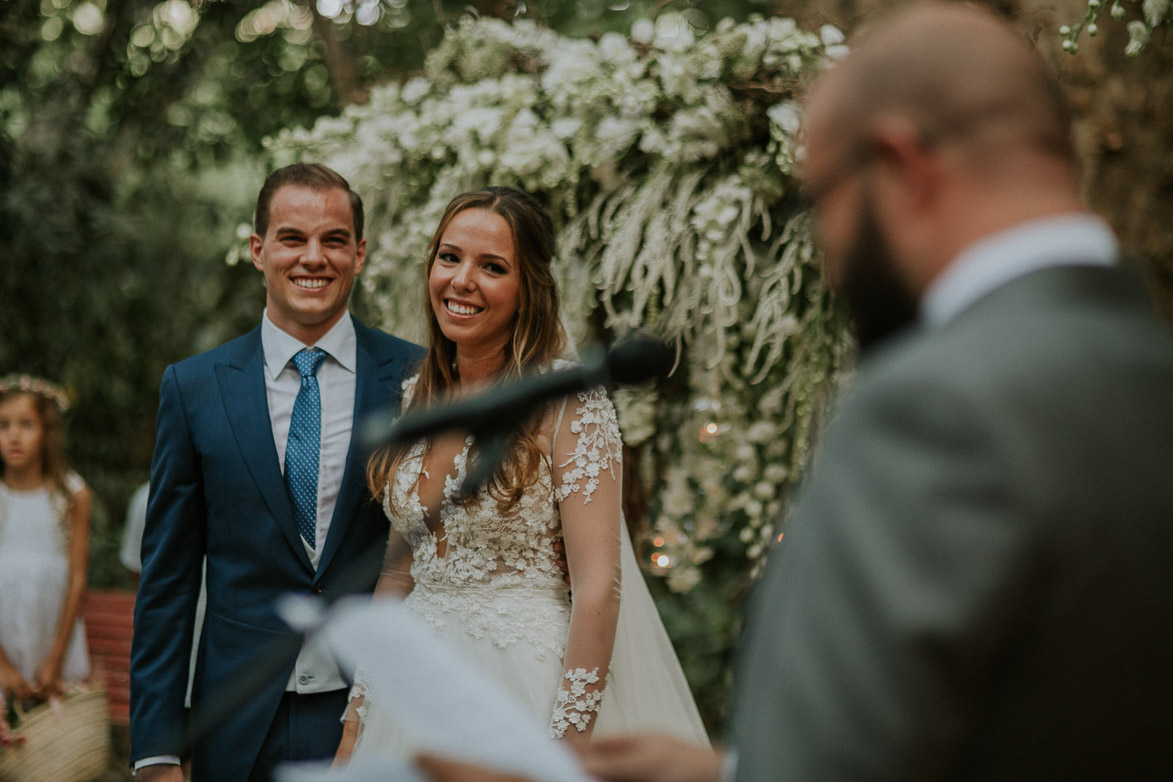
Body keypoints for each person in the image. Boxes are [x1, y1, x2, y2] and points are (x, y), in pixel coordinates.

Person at [582, 3, 1173, 780]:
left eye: (820, 198)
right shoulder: (1145, 371)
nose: (827, 262)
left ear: (899, 166)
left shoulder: (934, 408)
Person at [333, 187, 708, 765]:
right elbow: (397, 573)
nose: (461, 281)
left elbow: (598, 589)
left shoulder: (570, 404)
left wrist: (565, 752)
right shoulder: (419, 398)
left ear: (528, 288)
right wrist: (357, 720)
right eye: (449, 257)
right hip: (407, 699)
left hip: (521, 691)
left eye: (493, 267)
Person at [129, 163, 425, 782]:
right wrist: (157, 750)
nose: (313, 258)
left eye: (334, 240)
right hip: (237, 722)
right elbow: (168, 583)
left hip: (375, 717)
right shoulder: (193, 387)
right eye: (292, 238)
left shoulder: (417, 379)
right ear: (258, 250)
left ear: (360, 254)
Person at [0, 374, 92, 707]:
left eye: (26, 424)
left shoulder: (71, 496)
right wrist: (3, 667)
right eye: (3, 425)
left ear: (46, 431)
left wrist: (54, 661)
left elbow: (77, 579)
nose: (14, 436)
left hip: (53, 644)